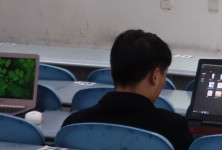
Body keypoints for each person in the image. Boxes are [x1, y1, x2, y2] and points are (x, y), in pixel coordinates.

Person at [62, 29, 194, 150]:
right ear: (155, 76)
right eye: (164, 74)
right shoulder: (173, 128)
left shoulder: (73, 124)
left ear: (112, 72)